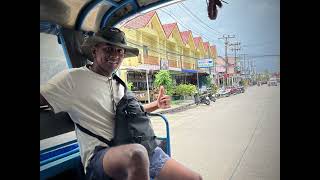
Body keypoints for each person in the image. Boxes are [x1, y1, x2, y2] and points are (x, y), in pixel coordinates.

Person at [40, 27, 202, 180]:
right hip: (102, 155)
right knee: (137, 154)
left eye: (120, 51)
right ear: (95, 50)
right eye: (108, 49)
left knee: (195, 178)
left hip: (140, 147)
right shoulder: (73, 79)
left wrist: (156, 104)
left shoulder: (118, 83)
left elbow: (132, 112)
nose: (115, 55)